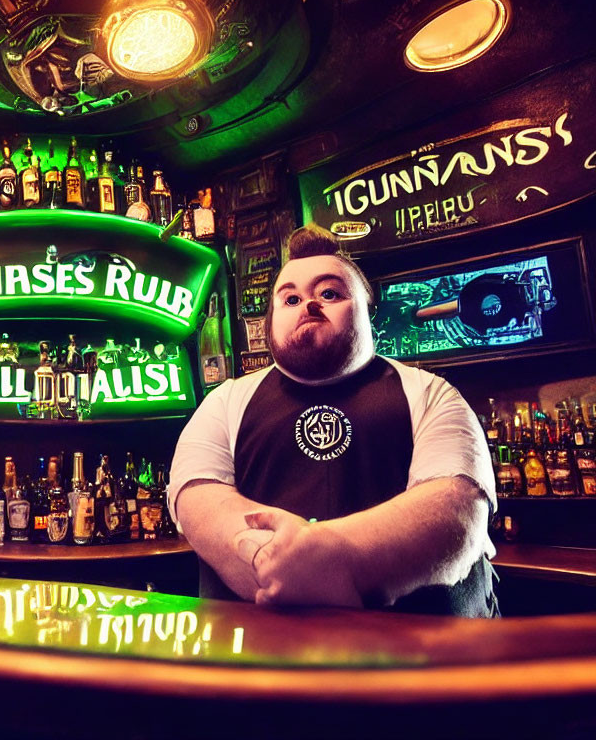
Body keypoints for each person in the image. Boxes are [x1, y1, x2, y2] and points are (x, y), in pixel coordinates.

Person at [168, 224, 499, 616]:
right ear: (270, 320)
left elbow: (454, 512)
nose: (308, 305)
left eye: (329, 293)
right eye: (290, 299)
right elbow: (199, 503)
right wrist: (288, 563)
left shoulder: (432, 394)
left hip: (428, 662)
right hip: (261, 667)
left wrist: (331, 557)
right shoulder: (222, 402)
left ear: (366, 310)